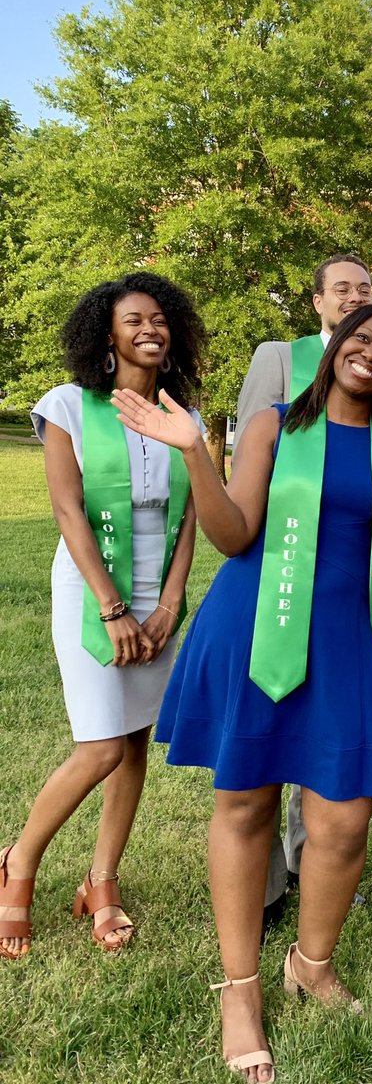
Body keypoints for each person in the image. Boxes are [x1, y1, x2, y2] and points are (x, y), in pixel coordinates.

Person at [111, 304, 372, 1081]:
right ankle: (240, 990)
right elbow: (234, 536)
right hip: (256, 626)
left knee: (342, 822)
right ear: (335, 347)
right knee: (247, 805)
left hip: (343, 641)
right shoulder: (273, 426)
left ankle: (311, 962)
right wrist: (197, 454)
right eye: (361, 340)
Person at [0, 273, 204, 959]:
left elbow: (190, 523)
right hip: (92, 589)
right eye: (134, 320)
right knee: (101, 746)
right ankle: (17, 866)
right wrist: (111, 606)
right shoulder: (69, 406)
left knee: (135, 744)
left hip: (157, 599)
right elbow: (66, 508)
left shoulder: (187, 417)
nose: (151, 329)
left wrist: (170, 605)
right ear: (107, 335)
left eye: (160, 319)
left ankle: (102, 881)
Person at [233, 252, 372, 926]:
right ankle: (260, 891)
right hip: (276, 573)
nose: (354, 297)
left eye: (365, 289)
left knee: (317, 739)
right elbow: (248, 457)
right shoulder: (280, 359)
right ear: (317, 300)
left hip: (342, 581)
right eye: (341, 289)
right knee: (264, 744)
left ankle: (303, 860)